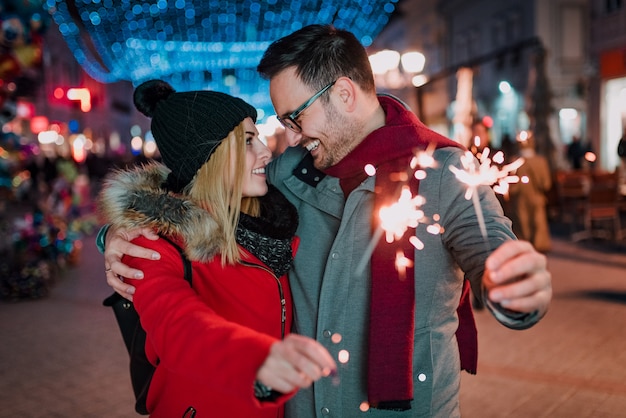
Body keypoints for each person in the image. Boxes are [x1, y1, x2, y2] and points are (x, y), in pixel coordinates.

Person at [101, 25, 552, 417]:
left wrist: (517, 287)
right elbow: (197, 196)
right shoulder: (287, 172)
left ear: (343, 93)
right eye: (283, 123)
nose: (290, 138)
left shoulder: (447, 173)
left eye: (295, 118)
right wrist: (119, 234)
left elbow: (491, 248)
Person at [97, 79, 336, 418]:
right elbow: (179, 327)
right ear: (207, 158)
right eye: (248, 141)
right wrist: (256, 360)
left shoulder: (269, 227)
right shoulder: (153, 244)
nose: (266, 152)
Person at [508, 134, 552, 253]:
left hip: (520, 201)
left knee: (523, 228)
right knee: (538, 227)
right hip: (537, 199)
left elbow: (512, 186)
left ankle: (525, 252)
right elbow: (546, 184)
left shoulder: (515, 162)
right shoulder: (540, 162)